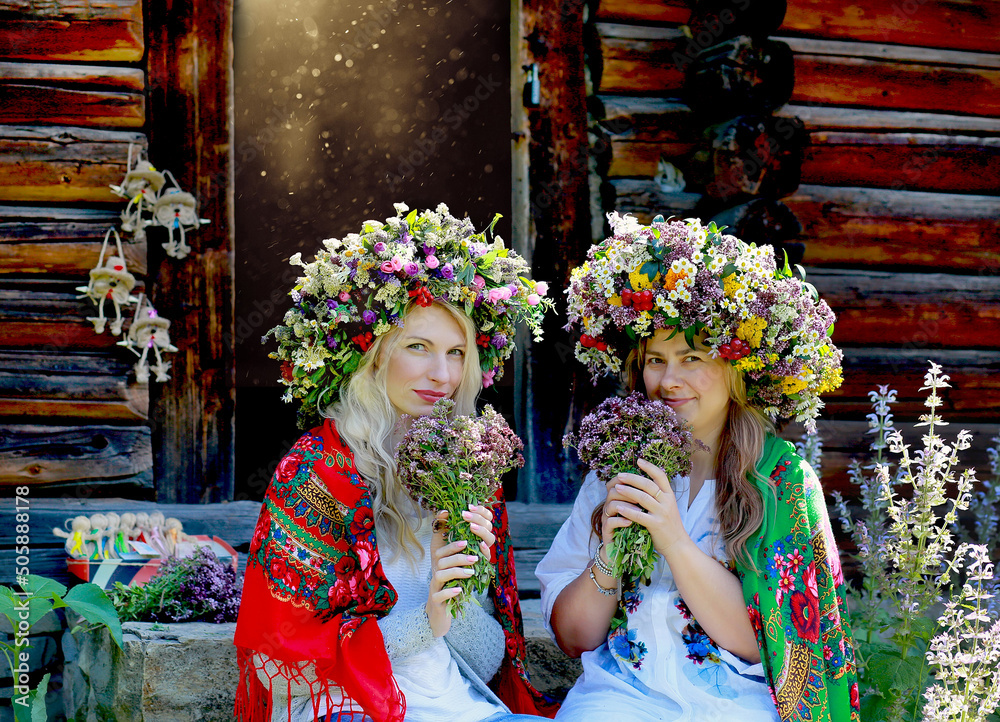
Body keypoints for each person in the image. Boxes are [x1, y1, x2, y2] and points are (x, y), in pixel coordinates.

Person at [234, 203, 556, 722]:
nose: (442, 374)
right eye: (419, 347)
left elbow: (485, 659)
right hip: (347, 710)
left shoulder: (463, 469)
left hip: (462, 708)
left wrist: (456, 594)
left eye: (456, 353)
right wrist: (425, 619)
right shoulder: (316, 472)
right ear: (375, 353)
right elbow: (287, 662)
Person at [536, 214, 860, 722]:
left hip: (738, 705)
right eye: (654, 360)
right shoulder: (615, 470)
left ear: (737, 369)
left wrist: (673, 540)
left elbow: (765, 645)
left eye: (692, 358)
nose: (668, 380)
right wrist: (609, 553)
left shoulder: (782, 483)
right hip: (619, 698)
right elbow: (575, 638)